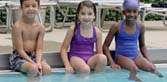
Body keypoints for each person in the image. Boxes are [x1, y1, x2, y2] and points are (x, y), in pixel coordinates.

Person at [103, 0, 163, 81]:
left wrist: (148, 60)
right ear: (123, 12)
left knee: (152, 68)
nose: (132, 14)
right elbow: (105, 46)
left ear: (138, 13)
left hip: (135, 56)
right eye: (129, 11)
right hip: (121, 56)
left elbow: (142, 45)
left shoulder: (141, 27)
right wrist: (112, 63)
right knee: (134, 69)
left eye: (134, 12)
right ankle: (133, 79)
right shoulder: (116, 26)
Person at [61, 0, 107, 74]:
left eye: (89, 14)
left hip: (90, 60)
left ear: (94, 15)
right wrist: (67, 65)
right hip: (75, 58)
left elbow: (99, 53)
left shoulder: (97, 32)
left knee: (103, 58)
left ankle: (98, 78)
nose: (86, 17)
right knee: (85, 69)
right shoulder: (74, 29)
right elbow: (63, 49)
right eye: (83, 13)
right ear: (78, 15)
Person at [9, 0, 51, 76]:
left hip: (34, 57)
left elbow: (39, 49)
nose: (31, 8)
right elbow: (20, 50)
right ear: (21, 8)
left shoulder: (40, 27)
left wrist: (38, 63)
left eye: (34, 6)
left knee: (47, 69)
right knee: (33, 68)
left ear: (39, 8)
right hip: (19, 57)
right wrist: (34, 63)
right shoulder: (17, 26)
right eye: (27, 6)